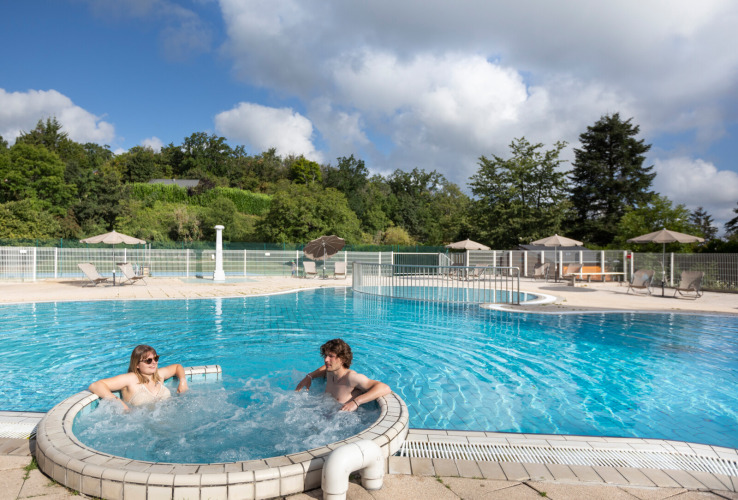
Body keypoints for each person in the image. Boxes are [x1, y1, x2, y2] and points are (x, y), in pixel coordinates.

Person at [295, 338, 390, 412]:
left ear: (343, 359)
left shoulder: (352, 378)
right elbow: (324, 368)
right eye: (325, 355)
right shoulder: (330, 372)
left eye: (331, 356)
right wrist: (309, 376)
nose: (326, 359)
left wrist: (356, 402)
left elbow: (384, 388)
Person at [88, 344, 188, 410]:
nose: (154, 362)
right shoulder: (130, 379)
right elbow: (96, 385)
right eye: (148, 360)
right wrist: (118, 402)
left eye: (156, 358)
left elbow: (177, 367)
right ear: (137, 364)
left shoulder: (158, 375)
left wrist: (183, 382)